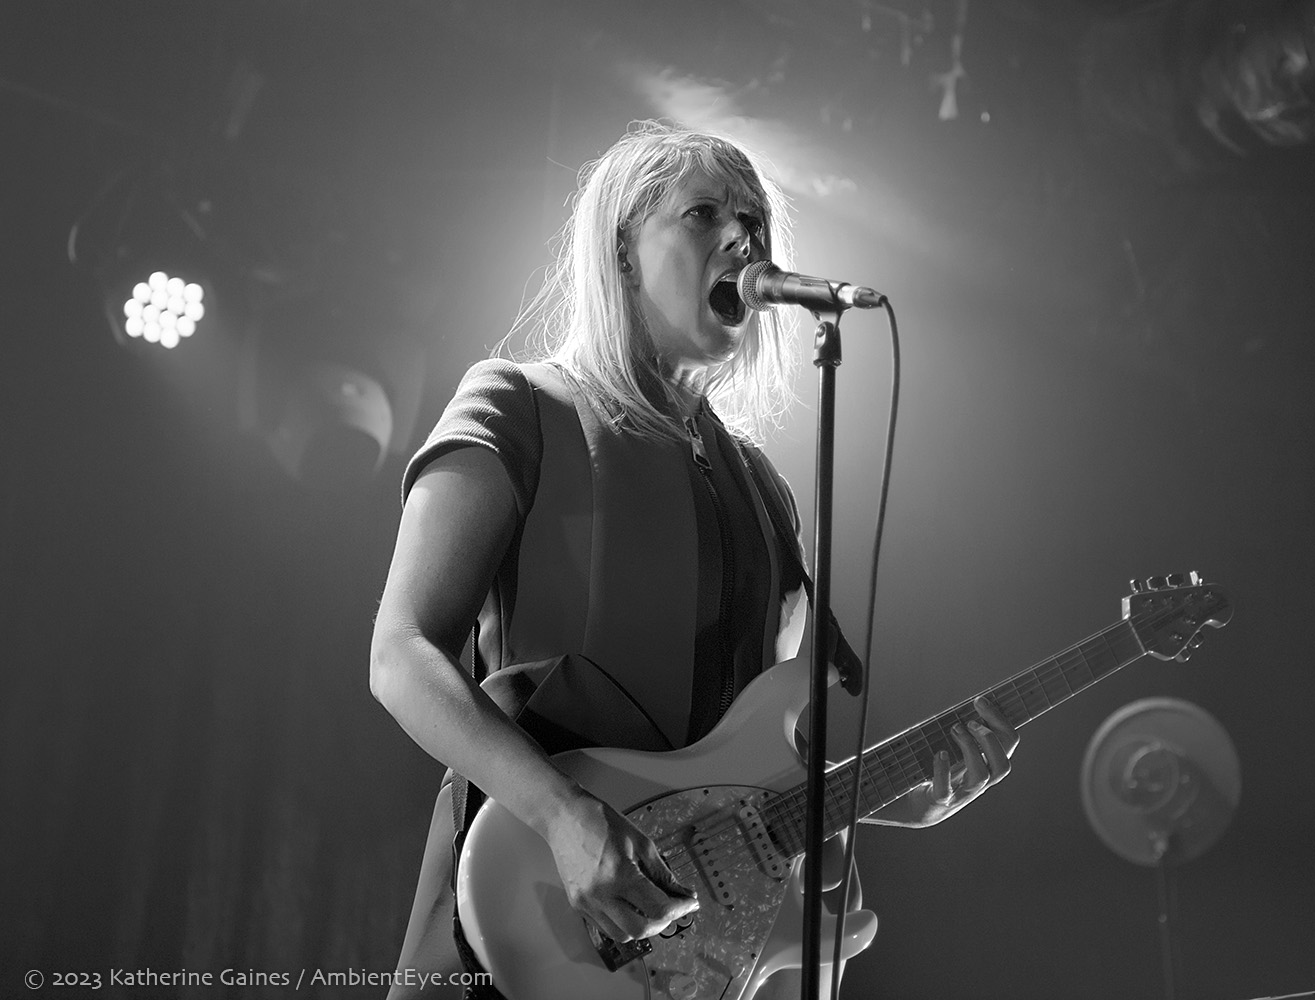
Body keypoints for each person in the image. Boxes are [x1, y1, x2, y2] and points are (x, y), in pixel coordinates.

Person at [369, 120, 1018, 1000]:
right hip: (523, 904)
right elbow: (401, 653)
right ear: (623, 253)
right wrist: (562, 814)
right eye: (704, 213)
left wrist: (903, 795)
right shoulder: (520, 402)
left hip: (702, 954)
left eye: (754, 221)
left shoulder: (765, 489)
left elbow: (754, 767)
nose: (742, 238)